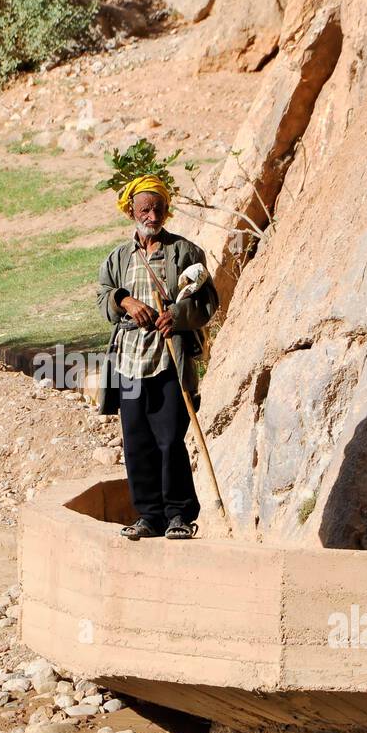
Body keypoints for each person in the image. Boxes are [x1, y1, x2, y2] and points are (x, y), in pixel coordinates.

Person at [96, 172, 219, 540]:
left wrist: (177, 317)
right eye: (146, 209)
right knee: (137, 441)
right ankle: (148, 516)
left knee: (169, 440)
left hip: (168, 359)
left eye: (159, 209)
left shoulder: (185, 252)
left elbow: (208, 301)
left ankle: (179, 515)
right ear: (131, 211)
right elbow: (103, 298)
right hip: (129, 362)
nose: (152, 217)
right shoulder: (117, 258)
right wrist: (124, 300)